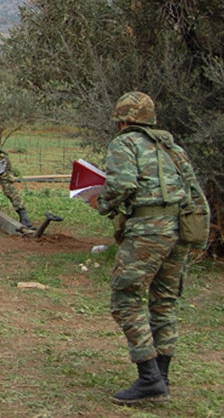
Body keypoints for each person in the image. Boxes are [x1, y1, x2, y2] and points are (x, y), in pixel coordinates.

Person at [89, 91, 209, 405]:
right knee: (164, 302)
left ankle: (149, 377)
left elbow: (123, 184)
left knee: (125, 297)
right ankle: (162, 379)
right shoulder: (173, 148)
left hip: (148, 231)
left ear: (122, 120)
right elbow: (194, 192)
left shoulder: (124, 143)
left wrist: (100, 201)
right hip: (179, 232)